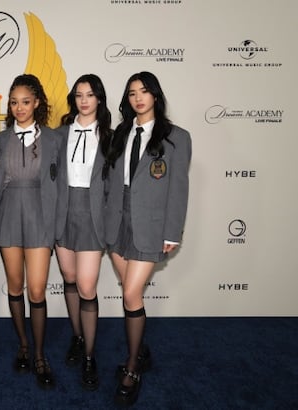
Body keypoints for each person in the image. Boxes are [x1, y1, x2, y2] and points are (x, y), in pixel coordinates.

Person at [104, 71, 191, 406]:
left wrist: (172, 231)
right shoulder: (119, 134)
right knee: (133, 296)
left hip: (150, 225)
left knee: (130, 293)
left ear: (155, 95)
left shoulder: (176, 137)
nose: (138, 98)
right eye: (131, 93)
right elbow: (110, 181)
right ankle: (141, 350)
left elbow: (179, 189)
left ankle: (132, 367)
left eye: (144, 91)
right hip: (117, 221)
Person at [0, 74, 63, 389]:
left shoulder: (54, 139)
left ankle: (39, 354)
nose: (19, 108)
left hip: (40, 216)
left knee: (36, 290)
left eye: (25, 101)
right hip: (8, 215)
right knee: (14, 286)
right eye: (13, 102)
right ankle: (23, 344)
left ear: (36, 103)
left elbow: (61, 184)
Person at [54, 74, 113, 390]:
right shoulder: (60, 134)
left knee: (87, 287)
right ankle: (77, 337)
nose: (84, 100)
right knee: (69, 278)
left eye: (90, 94)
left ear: (99, 98)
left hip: (93, 216)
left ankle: (90, 355)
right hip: (63, 213)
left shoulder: (111, 136)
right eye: (79, 95)